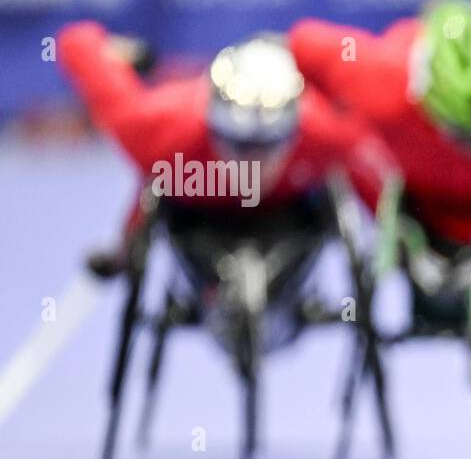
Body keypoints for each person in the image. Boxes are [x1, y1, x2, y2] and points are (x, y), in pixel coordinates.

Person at [57, 22, 397, 277]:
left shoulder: (330, 135)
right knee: (156, 179)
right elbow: (77, 43)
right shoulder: (153, 129)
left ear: (291, 129)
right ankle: (125, 252)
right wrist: (124, 53)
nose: (253, 165)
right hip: (196, 201)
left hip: (289, 211)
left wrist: (395, 237)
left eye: (267, 146)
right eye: (241, 145)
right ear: (215, 125)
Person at [288, 0, 471, 262]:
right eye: (463, 133)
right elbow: (300, 44)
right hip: (423, 213)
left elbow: (303, 40)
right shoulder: (382, 82)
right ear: (425, 104)